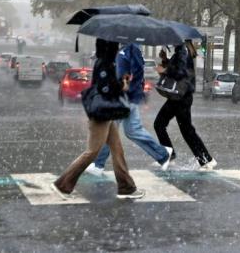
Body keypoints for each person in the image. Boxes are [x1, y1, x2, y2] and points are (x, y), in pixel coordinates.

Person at [51, 39, 144, 200]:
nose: (117, 48)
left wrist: (121, 81)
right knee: (92, 152)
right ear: (109, 47)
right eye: (115, 45)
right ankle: (62, 185)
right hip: (101, 114)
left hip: (107, 113)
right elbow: (104, 88)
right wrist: (121, 85)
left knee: (117, 149)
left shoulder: (107, 62)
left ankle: (126, 187)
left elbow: (108, 84)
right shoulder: (104, 63)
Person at [85, 43, 174, 176]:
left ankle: (98, 164)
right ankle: (163, 155)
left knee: (109, 128)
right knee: (133, 130)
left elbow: (136, 74)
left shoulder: (130, 49)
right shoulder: (123, 49)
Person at [154, 40, 217, 170]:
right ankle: (205, 159)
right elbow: (179, 69)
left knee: (171, 127)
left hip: (181, 97)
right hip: (179, 97)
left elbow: (180, 73)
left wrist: (165, 69)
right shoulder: (181, 51)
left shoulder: (182, 51)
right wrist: (165, 60)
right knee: (183, 129)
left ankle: (204, 159)